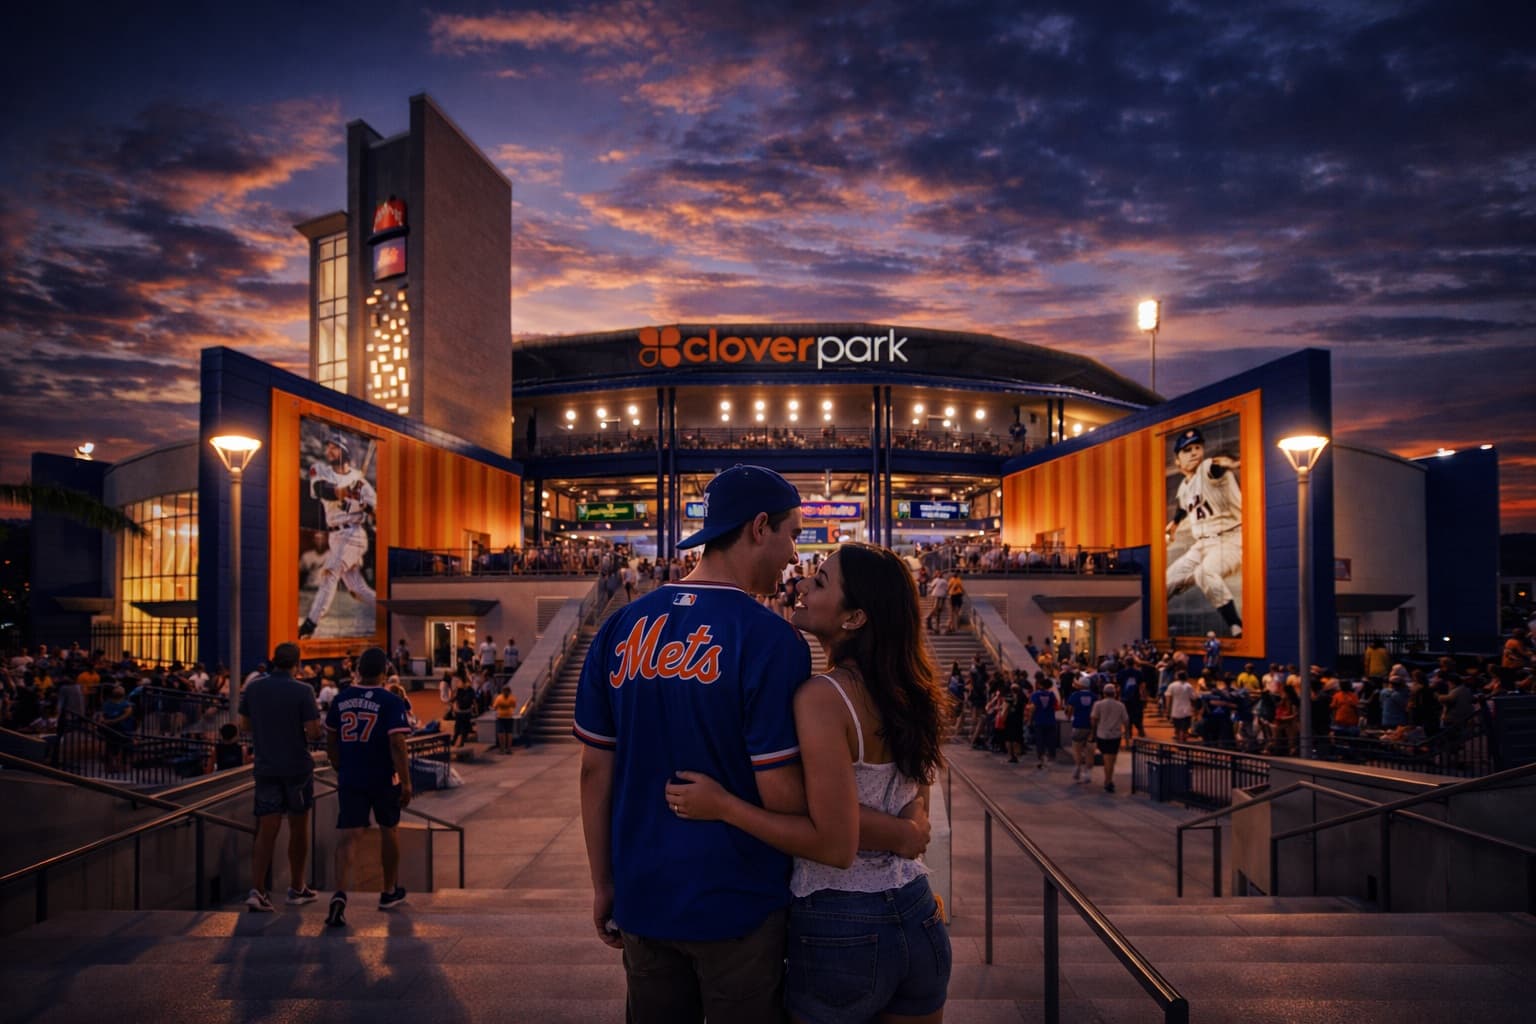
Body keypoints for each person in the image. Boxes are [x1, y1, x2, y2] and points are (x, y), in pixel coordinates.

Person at [666, 543, 950, 1024]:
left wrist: (724, 806)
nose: (799, 584)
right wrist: (903, 834)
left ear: (855, 617)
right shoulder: (910, 690)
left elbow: (833, 845)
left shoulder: (824, 697)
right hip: (918, 912)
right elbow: (915, 803)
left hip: (841, 922)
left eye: (819, 582)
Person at [575, 465, 814, 1024]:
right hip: (740, 902)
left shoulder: (619, 627)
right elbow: (780, 792)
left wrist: (603, 882)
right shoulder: (772, 639)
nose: (795, 555)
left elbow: (594, 772)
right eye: (793, 534)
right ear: (760, 527)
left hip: (643, 892)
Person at [324, 647, 413, 927]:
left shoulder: (341, 699)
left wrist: (340, 765)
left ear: (358, 670)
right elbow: (397, 744)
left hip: (351, 776)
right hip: (382, 776)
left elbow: (330, 741)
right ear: (384, 672)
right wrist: (407, 782)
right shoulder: (390, 701)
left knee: (348, 835)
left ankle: (339, 893)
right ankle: (388, 891)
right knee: (389, 830)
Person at [237, 642, 322, 912]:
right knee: (298, 828)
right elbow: (313, 731)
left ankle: (258, 889)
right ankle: (297, 887)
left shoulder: (253, 688)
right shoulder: (303, 690)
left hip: (265, 767)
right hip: (296, 768)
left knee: (266, 830)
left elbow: (244, 725)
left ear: (273, 660)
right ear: (296, 664)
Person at [1164, 427, 1244, 638]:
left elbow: (1219, 463)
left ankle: (1237, 626)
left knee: (1204, 573)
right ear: (1177, 460)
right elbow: (1183, 507)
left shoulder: (1207, 467)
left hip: (1232, 538)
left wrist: (1232, 463)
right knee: (1164, 582)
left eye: (1198, 447)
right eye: (1187, 449)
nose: (1194, 452)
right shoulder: (1184, 485)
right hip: (1202, 544)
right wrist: (1173, 526)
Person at [298, 436, 377, 639]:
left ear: (345, 451)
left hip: (353, 534)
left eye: (335, 448)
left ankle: (310, 623)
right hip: (335, 535)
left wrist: (361, 502)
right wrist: (343, 491)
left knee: (329, 573)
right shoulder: (320, 470)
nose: (329, 451)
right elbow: (320, 490)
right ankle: (387, 607)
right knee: (357, 589)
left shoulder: (361, 482)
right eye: (328, 448)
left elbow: (376, 514)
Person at [1089, 682, 1129, 793]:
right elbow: (1126, 721)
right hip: (1115, 735)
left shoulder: (1098, 704)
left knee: (1107, 759)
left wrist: (1093, 732)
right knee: (1111, 759)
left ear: (1104, 693)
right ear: (1115, 693)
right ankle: (1108, 781)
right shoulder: (1120, 705)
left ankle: (1108, 780)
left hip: (1102, 734)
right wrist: (1127, 735)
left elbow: (1093, 719)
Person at [1065, 672, 1096, 783]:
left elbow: (1070, 709)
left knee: (1077, 748)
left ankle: (1078, 766)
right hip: (1091, 726)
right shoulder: (1094, 696)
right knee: (1090, 750)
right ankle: (1088, 772)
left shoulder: (1075, 695)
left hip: (1078, 724)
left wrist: (1068, 719)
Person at [1028, 675, 1059, 769]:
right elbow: (1056, 705)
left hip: (1039, 720)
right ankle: (1050, 757)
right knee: (1050, 740)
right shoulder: (1052, 695)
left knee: (1040, 741)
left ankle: (1041, 759)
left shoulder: (1036, 694)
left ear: (1040, 685)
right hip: (1050, 720)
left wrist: (1030, 720)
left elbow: (1033, 708)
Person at [1165, 670, 1197, 745]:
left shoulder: (1172, 685)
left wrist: (1167, 709)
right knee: (1184, 729)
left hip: (1175, 711)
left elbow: (1168, 698)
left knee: (1177, 728)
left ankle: (1179, 742)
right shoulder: (1188, 686)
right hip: (1186, 711)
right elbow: (1193, 698)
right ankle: (1182, 742)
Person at [492, 684, 519, 754]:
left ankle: (502, 749)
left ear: (502, 691)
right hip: (509, 716)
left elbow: (494, 707)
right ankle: (509, 749)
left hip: (500, 716)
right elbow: (514, 706)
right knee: (509, 733)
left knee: (500, 733)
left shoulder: (499, 698)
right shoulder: (512, 698)